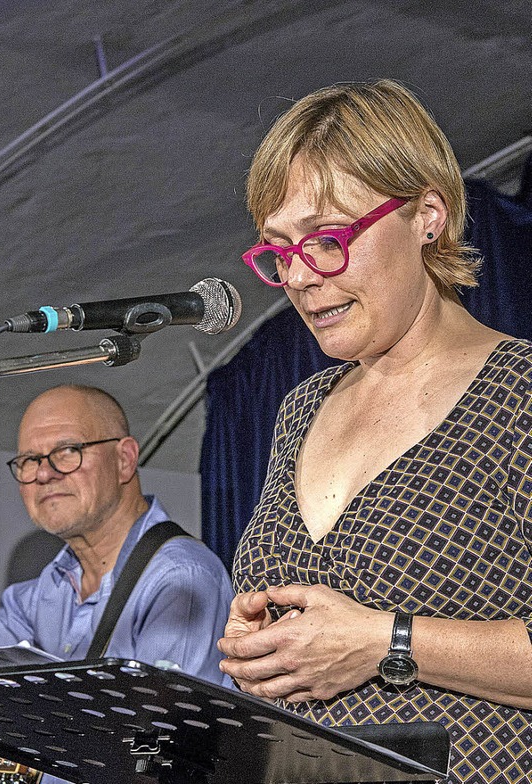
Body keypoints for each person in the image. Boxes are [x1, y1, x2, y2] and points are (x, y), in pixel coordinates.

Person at [217, 79, 532, 783]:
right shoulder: (300, 409)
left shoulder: (519, 395)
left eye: (328, 240)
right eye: (278, 250)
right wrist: (262, 655)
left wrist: (387, 641)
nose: (300, 276)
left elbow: (363, 641)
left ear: (427, 215)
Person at [0, 383, 234, 784]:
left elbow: (153, 756)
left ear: (125, 459)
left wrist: (32, 735)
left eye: (67, 451)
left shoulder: (180, 578)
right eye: (30, 459)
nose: (44, 473)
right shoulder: (48, 586)